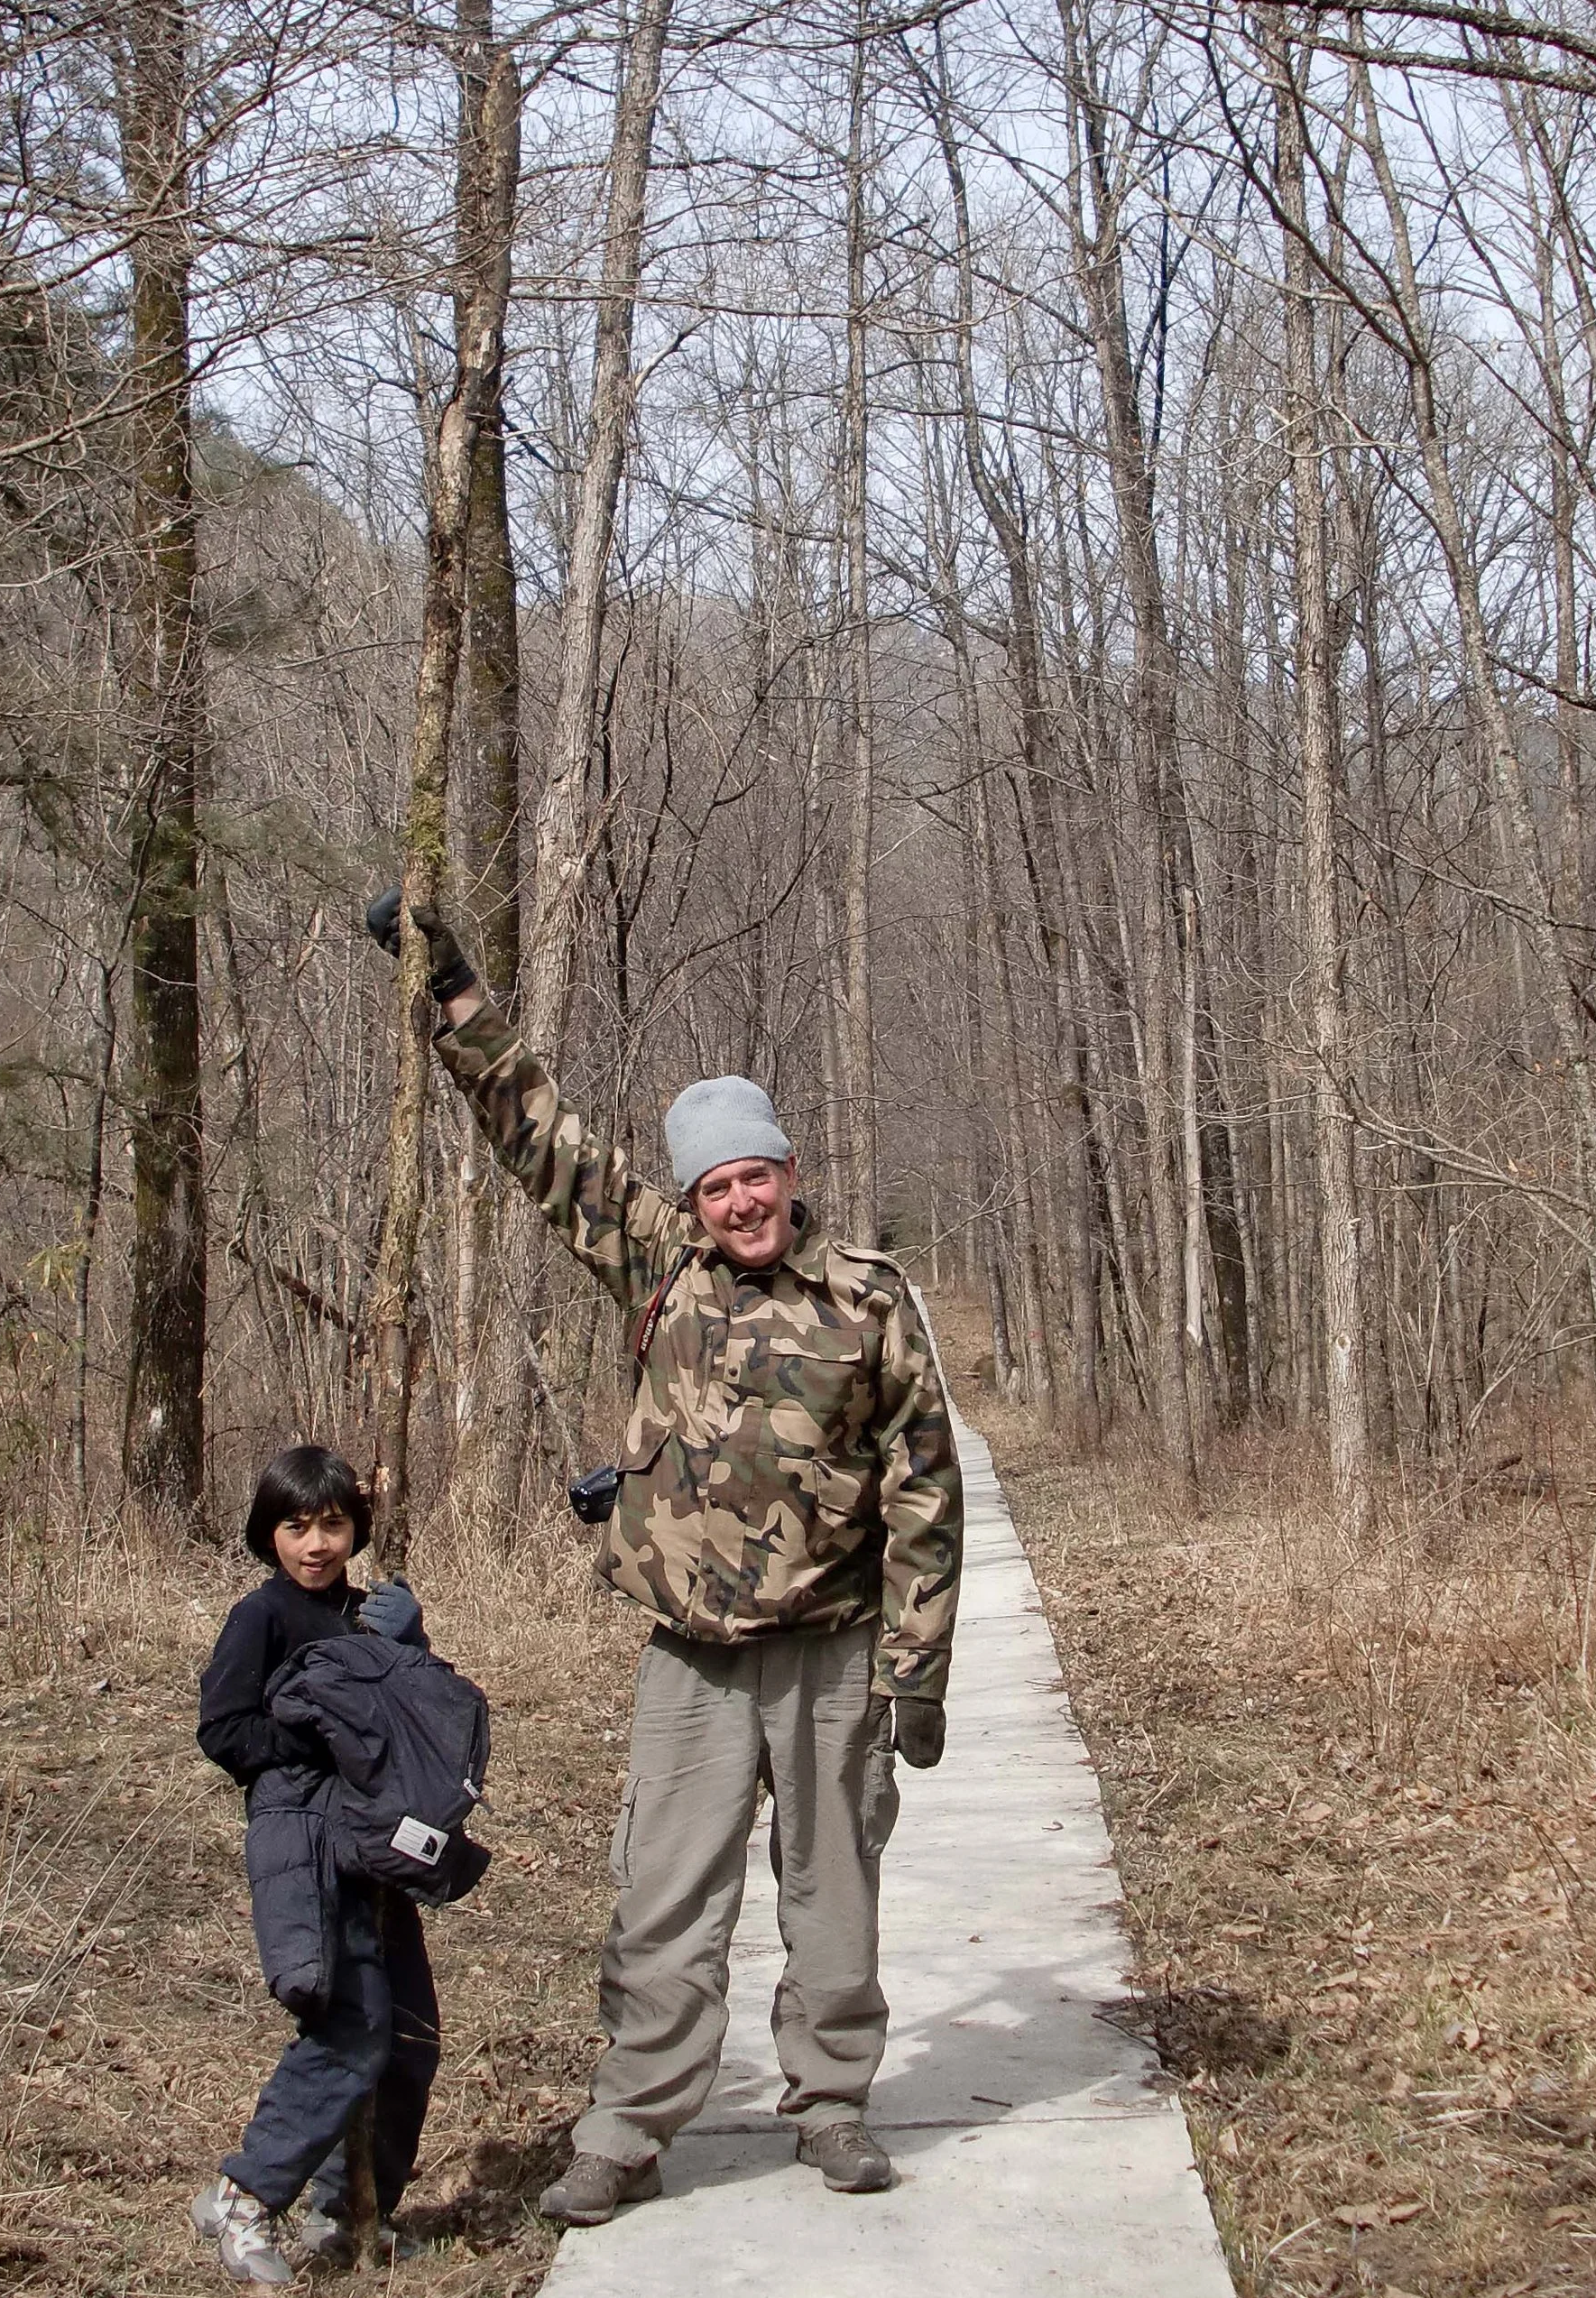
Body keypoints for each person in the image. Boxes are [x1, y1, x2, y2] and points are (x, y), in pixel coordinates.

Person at [366, 890, 963, 2227]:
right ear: (692, 1195)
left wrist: (917, 1669)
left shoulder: (868, 1297)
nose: (740, 1198)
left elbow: (928, 1486)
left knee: (835, 1892)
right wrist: (455, 984)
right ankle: (628, 2127)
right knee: (662, 1900)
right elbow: (536, 1128)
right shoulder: (654, 1260)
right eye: (716, 1182)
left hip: (835, 1650)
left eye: (757, 1173)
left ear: (790, 1171)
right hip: (691, 1661)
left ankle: (832, 2104)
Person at [192, 1446, 441, 2284]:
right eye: (296, 1525)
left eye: (333, 1523)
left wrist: (415, 1649)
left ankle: (346, 2214)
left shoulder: (372, 1614)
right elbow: (224, 1730)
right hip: (300, 1842)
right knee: (348, 2027)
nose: (316, 1543)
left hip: (376, 1847)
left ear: (355, 1529)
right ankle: (244, 2194)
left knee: (407, 2039)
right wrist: (318, 1735)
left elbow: (418, 1723)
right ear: (269, 1532)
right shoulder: (258, 1618)